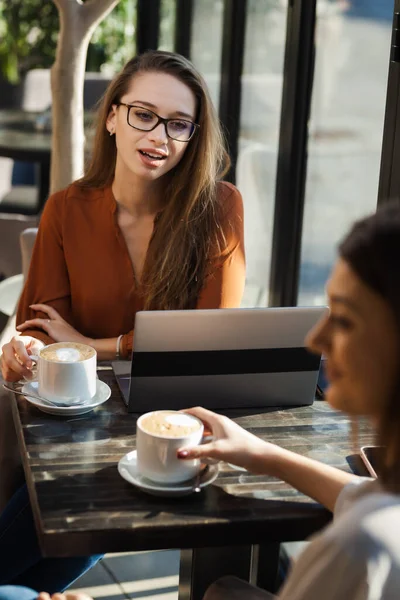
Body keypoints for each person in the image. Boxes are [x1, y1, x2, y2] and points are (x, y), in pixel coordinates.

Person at [0, 50, 245, 592]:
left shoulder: (219, 207)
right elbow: (40, 324)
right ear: (112, 116)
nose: (159, 134)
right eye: (143, 114)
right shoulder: (67, 208)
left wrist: (96, 344)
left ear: (193, 135)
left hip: (173, 418)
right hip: (76, 423)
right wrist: (26, 351)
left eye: (178, 123)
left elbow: (211, 341)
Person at [177, 201, 400, 599]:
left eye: (345, 320)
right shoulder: (381, 513)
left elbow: (370, 516)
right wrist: (263, 454)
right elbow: (365, 497)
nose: (315, 340)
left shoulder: (359, 548)